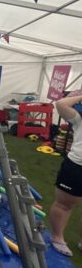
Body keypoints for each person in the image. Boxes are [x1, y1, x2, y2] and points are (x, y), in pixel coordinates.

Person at [49, 90, 82, 256]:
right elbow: (61, 104)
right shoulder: (79, 117)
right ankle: (57, 237)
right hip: (77, 166)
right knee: (64, 204)